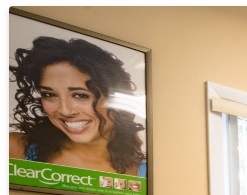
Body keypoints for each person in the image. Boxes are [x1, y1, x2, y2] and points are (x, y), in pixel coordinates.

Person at [9, 35, 146, 177]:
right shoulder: (14, 150)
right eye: (50, 95)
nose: (65, 110)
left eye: (81, 95)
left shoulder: (145, 176)